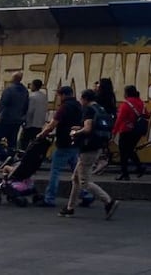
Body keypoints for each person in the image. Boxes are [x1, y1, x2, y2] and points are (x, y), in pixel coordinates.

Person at [59, 89, 119, 219]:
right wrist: (79, 128)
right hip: (97, 147)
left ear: (85, 99)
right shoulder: (100, 108)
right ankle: (70, 207)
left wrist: (75, 133)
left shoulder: (88, 110)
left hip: (88, 148)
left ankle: (109, 201)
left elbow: (87, 129)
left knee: (84, 182)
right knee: (75, 179)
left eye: (81, 99)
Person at [33, 86, 91, 209]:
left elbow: (52, 125)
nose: (58, 98)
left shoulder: (64, 107)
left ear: (64, 95)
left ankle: (50, 198)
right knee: (77, 174)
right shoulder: (79, 106)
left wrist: (41, 135)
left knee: (55, 171)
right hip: (75, 143)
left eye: (59, 96)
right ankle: (86, 194)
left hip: (64, 144)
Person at [0, 71, 29, 162]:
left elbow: (1, 105)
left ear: (13, 79)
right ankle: (10, 160)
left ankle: (4, 156)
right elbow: (26, 106)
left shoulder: (9, 90)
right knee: (12, 142)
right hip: (17, 120)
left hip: (6, 119)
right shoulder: (25, 91)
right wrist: (23, 118)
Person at [114, 85, 148, 180]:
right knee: (129, 150)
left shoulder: (126, 104)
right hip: (138, 131)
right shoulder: (141, 103)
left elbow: (120, 119)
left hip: (126, 130)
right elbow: (147, 115)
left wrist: (114, 131)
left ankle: (125, 172)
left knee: (123, 151)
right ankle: (139, 167)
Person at [19, 79, 48, 152]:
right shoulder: (44, 96)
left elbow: (30, 111)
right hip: (39, 124)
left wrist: (25, 121)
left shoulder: (32, 97)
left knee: (23, 142)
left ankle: (22, 157)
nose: (30, 86)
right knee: (35, 143)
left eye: (31, 85)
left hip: (31, 123)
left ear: (34, 86)